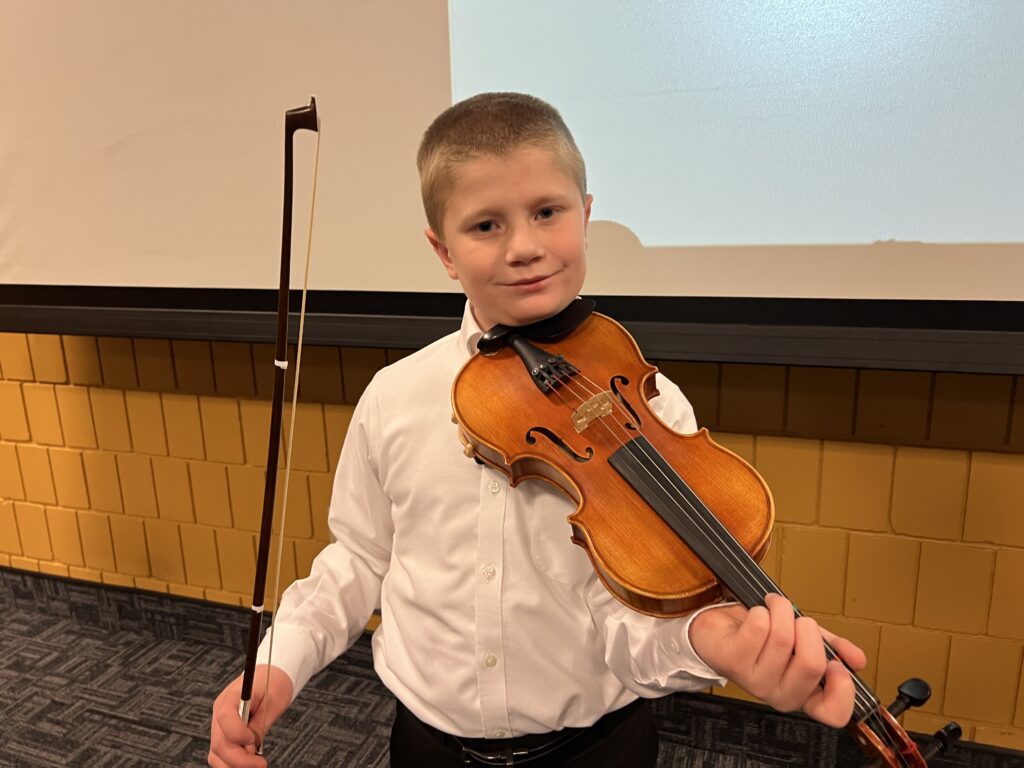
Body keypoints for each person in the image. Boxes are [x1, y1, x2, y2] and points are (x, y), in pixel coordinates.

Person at [209, 92, 865, 768]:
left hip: (595, 749)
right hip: (427, 744)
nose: (524, 247)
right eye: (486, 226)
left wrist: (708, 641)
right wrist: (280, 661)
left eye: (547, 213)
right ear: (442, 251)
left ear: (584, 215)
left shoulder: (650, 404)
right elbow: (359, 558)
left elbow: (634, 624)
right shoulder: (395, 397)